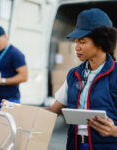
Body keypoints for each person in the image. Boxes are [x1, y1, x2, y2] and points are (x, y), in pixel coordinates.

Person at [46, 8, 117, 150]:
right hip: (75, 145)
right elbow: (54, 110)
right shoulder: (74, 75)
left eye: (82, 42)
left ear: (101, 42)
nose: (76, 47)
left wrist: (114, 131)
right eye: (76, 41)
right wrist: (17, 110)